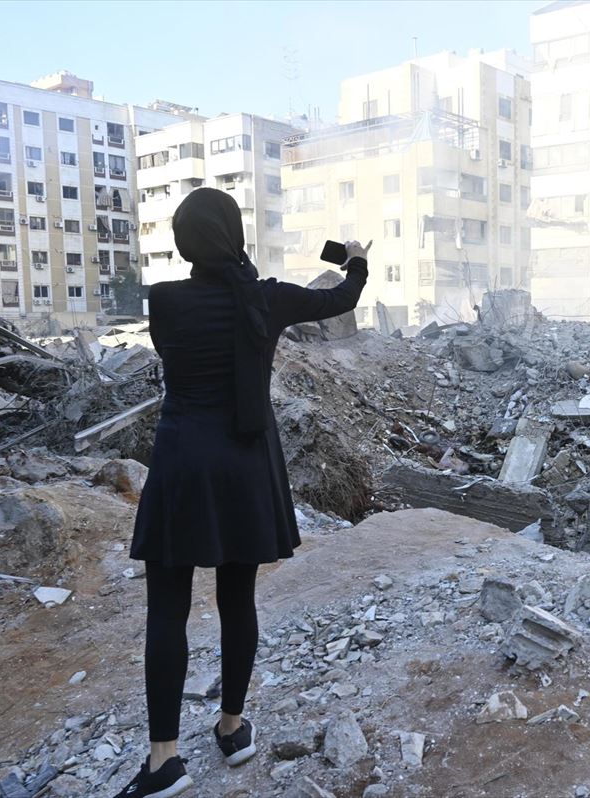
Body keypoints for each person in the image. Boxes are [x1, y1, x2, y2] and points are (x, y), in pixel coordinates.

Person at [114, 187, 369, 798]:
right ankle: (232, 728)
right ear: (235, 236)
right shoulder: (266, 298)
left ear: (183, 243)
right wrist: (355, 259)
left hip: (182, 466)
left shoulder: (165, 303)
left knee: (167, 612)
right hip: (246, 467)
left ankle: (164, 761)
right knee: (238, 600)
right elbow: (342, 299)